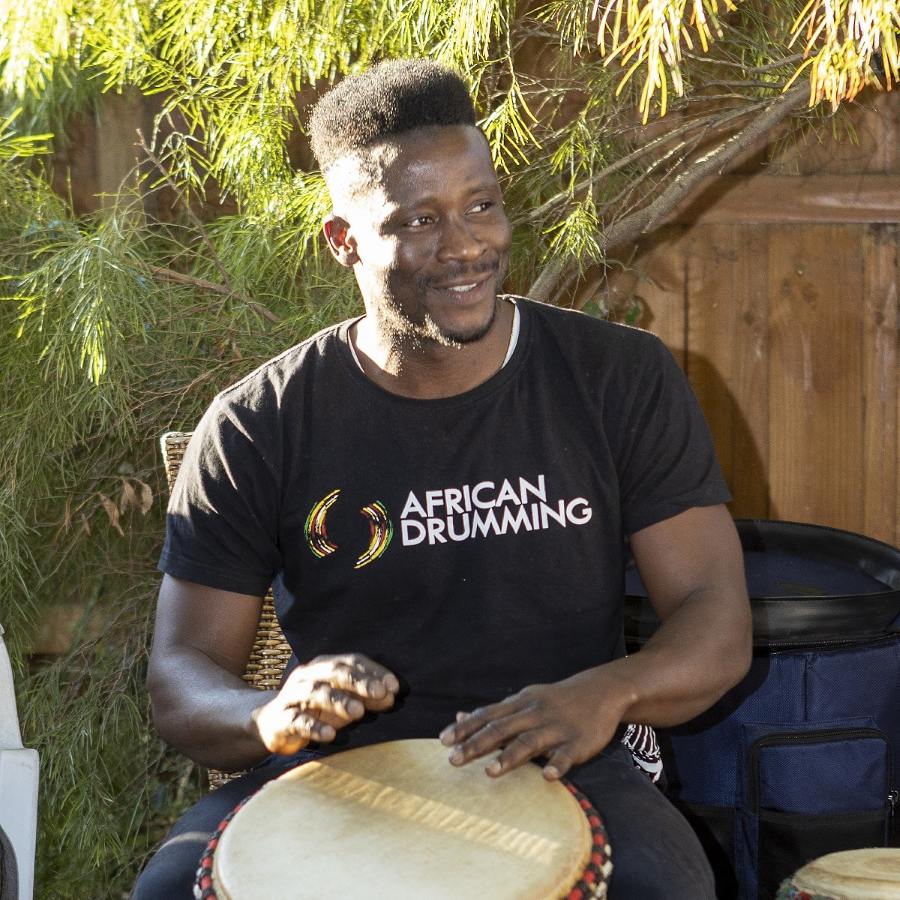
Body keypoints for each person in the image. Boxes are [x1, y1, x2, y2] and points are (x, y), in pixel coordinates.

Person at [133, 58, 751, 899]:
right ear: (344, 240)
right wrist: (266, 714)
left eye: (482, 205)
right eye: (417, 220)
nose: (465, 246)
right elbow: (181, 674)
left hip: (565, 758)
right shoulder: (257, 423)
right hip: (338, 776)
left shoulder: (617, 378)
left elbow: (716, 621)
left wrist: (610, 691)